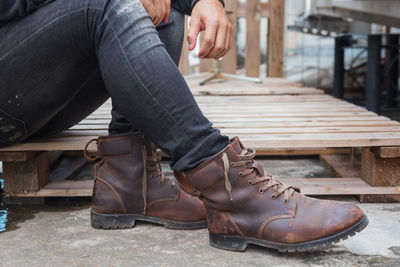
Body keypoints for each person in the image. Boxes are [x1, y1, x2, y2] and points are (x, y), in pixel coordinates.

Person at [0, 0, 368, 252]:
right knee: (112, 5)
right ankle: (231, 190)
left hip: (37, 93)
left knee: (166, 11)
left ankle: (129, 181)